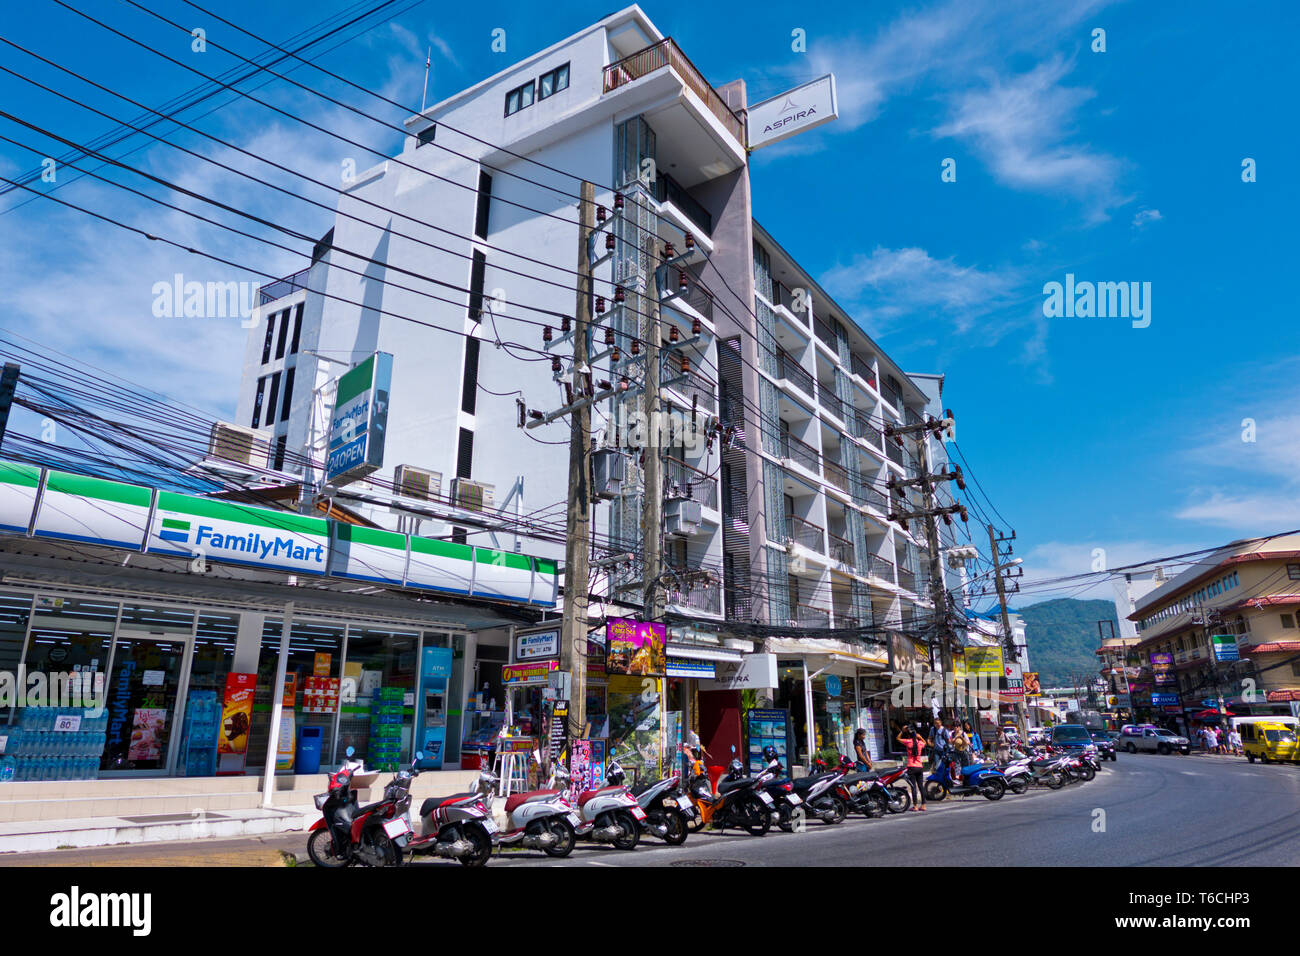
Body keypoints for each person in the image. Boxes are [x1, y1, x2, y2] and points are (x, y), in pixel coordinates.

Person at [897, 726, 927, 811]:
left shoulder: (908, 742)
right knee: (921, 786)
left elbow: (898, 738)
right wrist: (920, 737)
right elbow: (925, 743)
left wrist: (902, 731)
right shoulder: (920, 743)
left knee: (913, 787)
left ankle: (915, 806)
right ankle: (924, 805)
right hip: (919, 767)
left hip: (911, 767)